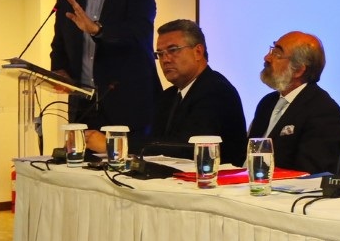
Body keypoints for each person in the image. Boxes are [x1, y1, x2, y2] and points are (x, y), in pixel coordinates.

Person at [49, 0, 160, 135]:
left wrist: (97, 30)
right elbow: (59, 46)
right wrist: (59, 71)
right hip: (83, 106)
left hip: (128, 105)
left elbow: (137, 33)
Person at [90, 19, 248, 164]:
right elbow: (155, 141)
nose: (165, 59)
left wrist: (117, 146)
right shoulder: (169, 96)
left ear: (198, 52)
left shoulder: (216, 91)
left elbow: (188, 148)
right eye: (160, 54)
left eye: (173, 50)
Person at [247, 31, 340, 174]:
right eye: (272, 50)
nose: (267, 57)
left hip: (284, 188)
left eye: (277, 54)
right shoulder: (268, 103)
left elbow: (310, 174)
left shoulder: (323, 111)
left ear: (299, 70)